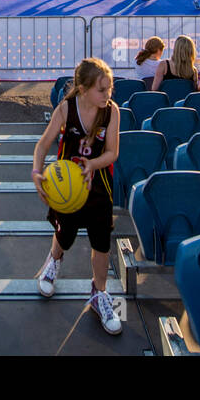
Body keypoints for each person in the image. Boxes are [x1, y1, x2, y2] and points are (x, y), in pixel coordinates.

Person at [32, 57, 123, 336]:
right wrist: (37, 171)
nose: (107, 95)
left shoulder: (112, 112)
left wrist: (93, 165)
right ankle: (53, 262)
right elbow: (44, 143)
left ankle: (99, 293)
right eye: (101, 90)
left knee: (101, 242)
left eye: (109, 89)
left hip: (98, 186)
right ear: (83, 89)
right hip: (67, 186)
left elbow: (112, 153)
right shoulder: (66, 108)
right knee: (65, 234)